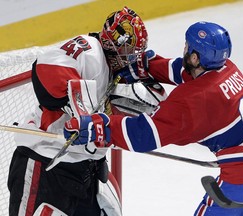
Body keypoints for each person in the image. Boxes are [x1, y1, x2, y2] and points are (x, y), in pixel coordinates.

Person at [64, 21, 243, 215]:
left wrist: (101, 126)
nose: (184, 50)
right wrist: (149, 67)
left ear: (194, 56)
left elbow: (144, 134)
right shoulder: (228, 68)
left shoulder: (191, 102)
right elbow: (184, 70)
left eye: (188, 48)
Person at [8, 6, 149, 216]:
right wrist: (76, 109)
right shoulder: (89, 49)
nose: (130, 58)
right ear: (113, 42)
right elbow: (46, 67)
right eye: (128, 51)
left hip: (83, 169)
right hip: (46, 161)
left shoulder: (114, 68)